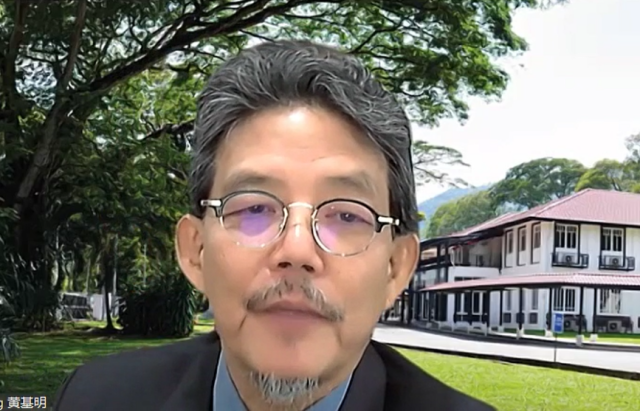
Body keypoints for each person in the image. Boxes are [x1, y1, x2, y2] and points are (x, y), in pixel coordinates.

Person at [53, 40, 494, 411]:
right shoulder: (94, 399)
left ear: (396, 268)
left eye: (346, 215)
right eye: (254, 209)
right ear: (195, 251)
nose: (297, 251)